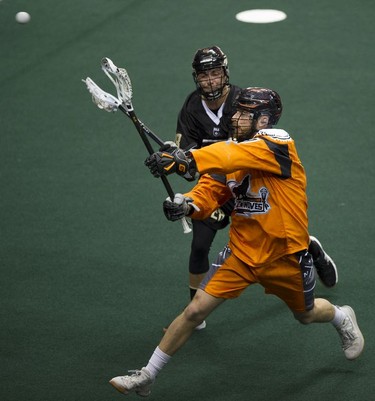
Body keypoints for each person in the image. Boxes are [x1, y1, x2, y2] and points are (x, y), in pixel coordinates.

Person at [109, 87, 364, 396]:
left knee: (306, 315)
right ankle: (148, 375)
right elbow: (210, 189)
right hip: (241, 254)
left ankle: (341, 317)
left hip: (285, 256)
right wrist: (187, 204)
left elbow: (229, 155)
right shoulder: (230, 148)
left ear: (264, 120)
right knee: (194, 311)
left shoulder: (278, 142)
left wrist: (186, 158)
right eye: (238, 111)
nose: (236, 117)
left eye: (245, 113)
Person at [173, 46, 337, 330]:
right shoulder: (191, 107)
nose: (210, 80)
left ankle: (306, 248)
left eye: (215, 73)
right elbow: (189, 161)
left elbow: (242, 151)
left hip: (250, 183)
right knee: (199, 244)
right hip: (217, 183)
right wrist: (178, 161)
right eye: (204, 75)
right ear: (196, 77)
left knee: (268, 239)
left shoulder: (242, 99)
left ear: (224, 73)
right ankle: (194, 314)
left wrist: (191, 160)